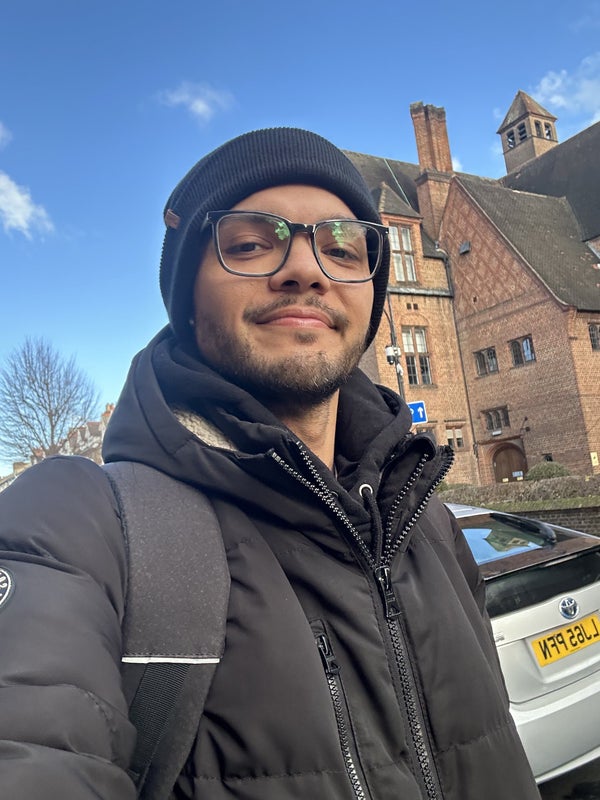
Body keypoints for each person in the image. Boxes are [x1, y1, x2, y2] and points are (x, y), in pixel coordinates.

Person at [0, 127, 541, 799]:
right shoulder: (79, 526)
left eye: (342, 248)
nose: (307, 269)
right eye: (252, 243)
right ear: (188, 301)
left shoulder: (429, 525)